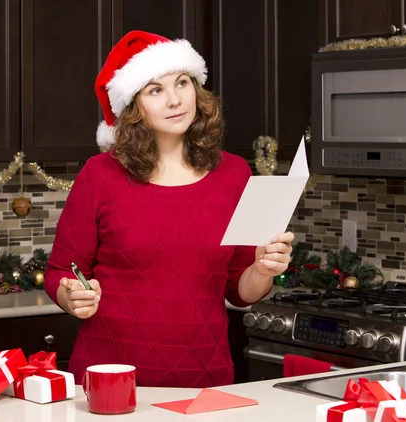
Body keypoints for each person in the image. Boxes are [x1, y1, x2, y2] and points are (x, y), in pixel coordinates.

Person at [44, 30, 294, 388]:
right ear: (133, 106)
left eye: (182, 83)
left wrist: (264, 267)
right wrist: (72, 296)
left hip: (206, 381)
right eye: (156, 90)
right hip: (111, 382)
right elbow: (58, 271)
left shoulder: (234, 173)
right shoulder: (100, 175)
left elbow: (240, 290)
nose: (175, 100)